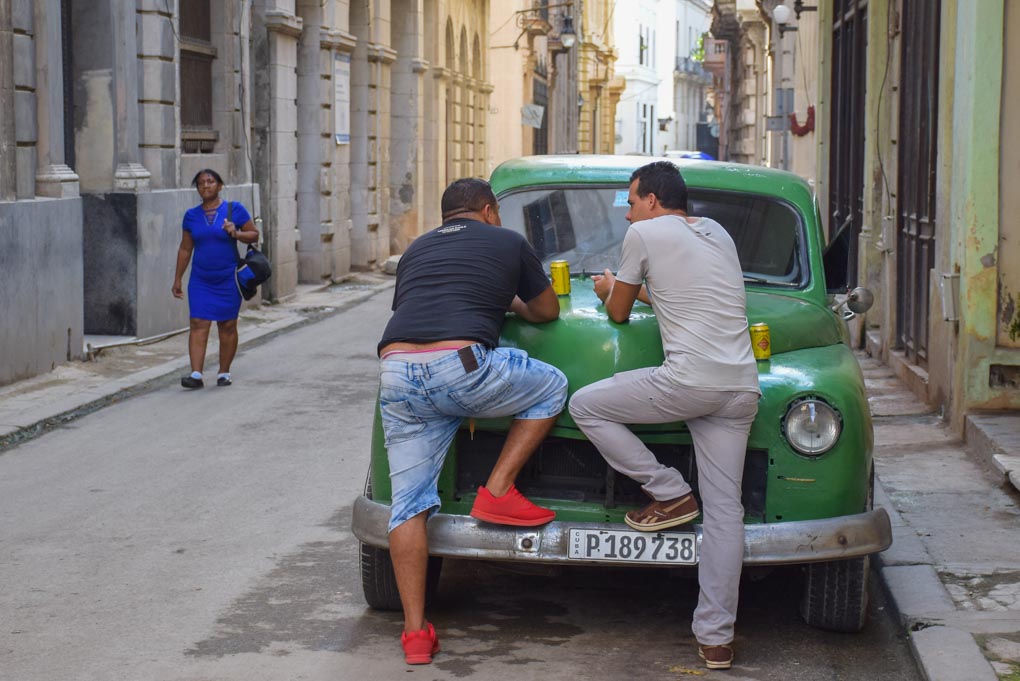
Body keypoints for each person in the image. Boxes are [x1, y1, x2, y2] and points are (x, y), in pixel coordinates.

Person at [568, 161, 760, 671]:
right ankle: (716, 639)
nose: (628, 215)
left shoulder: (645, 234)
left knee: (584, 404)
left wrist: (611, 287)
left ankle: (670, 491)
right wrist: (633, 287)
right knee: (725, 513)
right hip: (740, 387)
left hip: (687, 383)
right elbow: (682, 293)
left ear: (652, 200)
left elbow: (618, 313)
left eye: (631, 203)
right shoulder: (717, 233)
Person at [377, 177, 568, 665]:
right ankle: (499, 488)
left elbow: (422, 309)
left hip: (395, 369)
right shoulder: (507, 240)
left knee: (407, 506)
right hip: (459, 365)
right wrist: (511, 301)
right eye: (496, 213)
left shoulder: (417, 249)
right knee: (551, 385)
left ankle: (416, 634)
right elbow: (546, 310)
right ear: (487, 211)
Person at [172, 169, 259, 389]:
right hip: (201, 278)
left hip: (228, 277)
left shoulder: (234, 210)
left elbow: (254, 234)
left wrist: (236, 233)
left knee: (227, 324)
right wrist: (177, 279)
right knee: (198, 322)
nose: (206, 186)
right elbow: (185, 248)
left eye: (210, 182)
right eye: (201, 183)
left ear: (220, 186)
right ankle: (196, 374)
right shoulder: (191, 216)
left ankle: (224, 372)